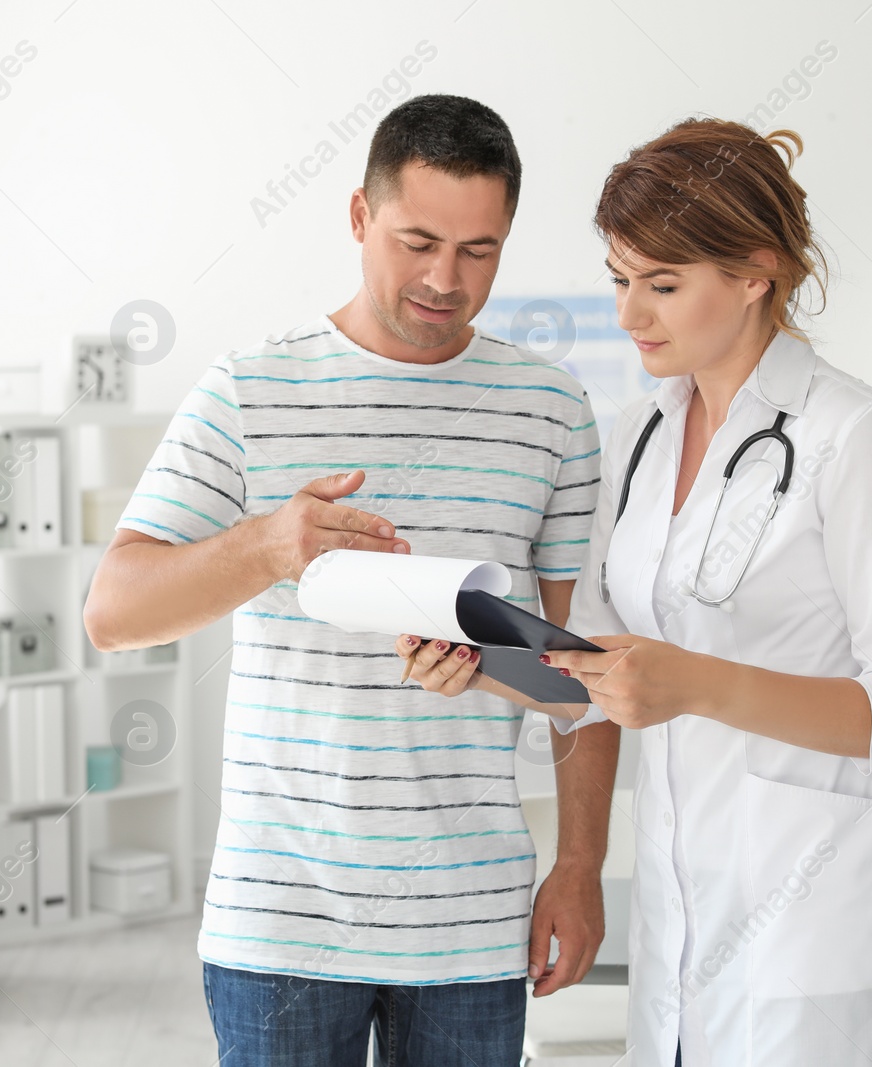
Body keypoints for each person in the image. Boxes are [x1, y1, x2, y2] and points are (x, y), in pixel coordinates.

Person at [84, 94, 620, 1066]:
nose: (444, 280)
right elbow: (113, 613)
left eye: (479, 251)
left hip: (468, 916)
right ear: (358, 217)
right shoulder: (250, 388)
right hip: (280, 920)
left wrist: (580, 860)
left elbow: (585, 672)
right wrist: (263, 548)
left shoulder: (550, 411)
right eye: (417, 241)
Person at [400, 118, 872, 1067]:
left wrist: (695, 683)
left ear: (754, 273)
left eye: (661, 285)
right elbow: (600, 675)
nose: (629, 314)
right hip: (684, 917)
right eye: (621, 279)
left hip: (817, 924)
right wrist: (484, 668)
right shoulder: (639, 435)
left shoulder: (856, 440)